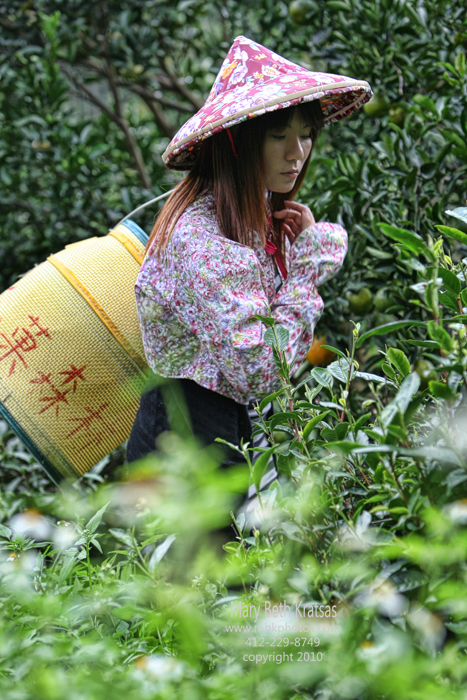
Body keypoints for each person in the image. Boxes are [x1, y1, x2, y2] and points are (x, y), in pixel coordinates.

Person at [127, 36, 372, 497]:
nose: (296, 152)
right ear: (239, 144)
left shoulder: (248, 215)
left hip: (227, 428)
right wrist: (305, 272)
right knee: (200, 569)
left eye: (305, 134)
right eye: (278, 136)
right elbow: (261, 370)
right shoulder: (201, 239)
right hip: (184, 437)